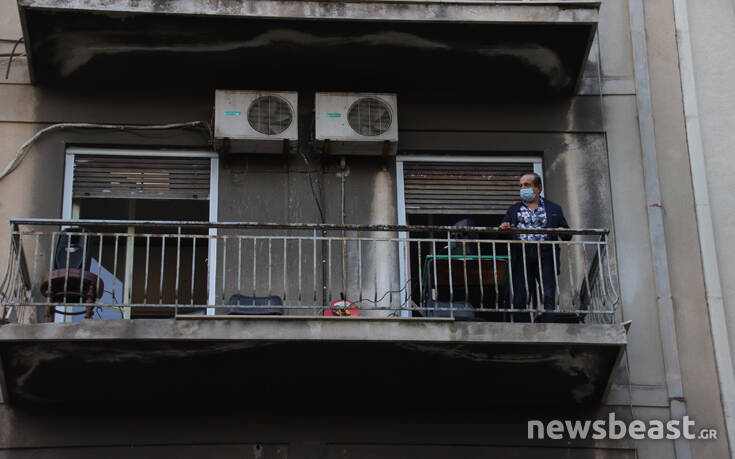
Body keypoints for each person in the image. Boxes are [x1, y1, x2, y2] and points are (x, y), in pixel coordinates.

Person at [500, 173, 570, 323]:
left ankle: (549, 326)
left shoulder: (554, 208)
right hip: (521, 255)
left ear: (539, 188)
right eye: (521, 185)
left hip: (545, 254)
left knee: (548, 293)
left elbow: (567, 234)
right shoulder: (513, 210)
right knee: (521, 295)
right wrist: (504, 227)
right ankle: (522, 328)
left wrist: (561, 231)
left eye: (527, 185)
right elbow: (503, 231)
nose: (523, 188)